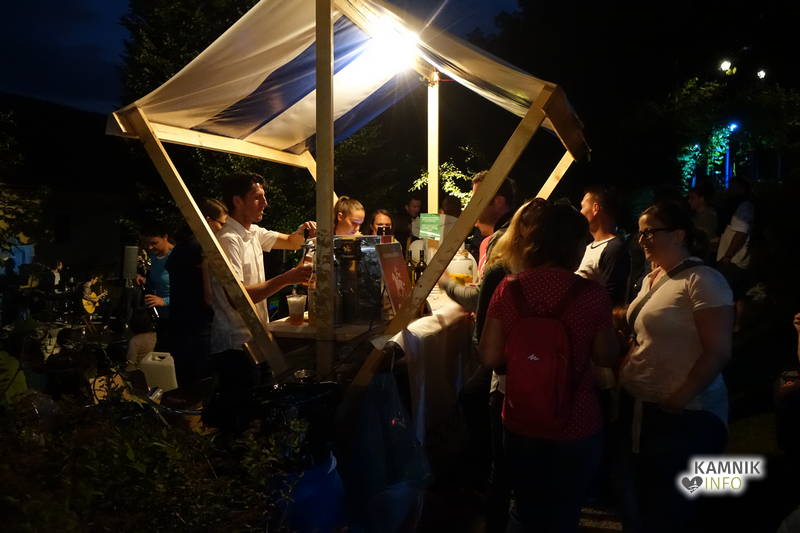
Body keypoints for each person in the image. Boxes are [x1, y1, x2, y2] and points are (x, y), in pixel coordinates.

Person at [479, 198, 619, 533]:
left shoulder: (509, 289)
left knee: (524, 508)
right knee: (565, 511)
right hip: (576, 419)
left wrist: (527, 362)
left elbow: (489, 357)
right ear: (575, 246)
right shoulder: (592, 294)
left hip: (522, 418)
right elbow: (605, 356)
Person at [619, 201, 733, 533]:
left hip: (685, 416)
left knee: (672, 509)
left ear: (679, 234)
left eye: (650, 232)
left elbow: (718, 350)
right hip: (642, 409)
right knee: (642, 501)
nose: (642, 240)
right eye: (640, 233)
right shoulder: (651, 279)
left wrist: (679, 397)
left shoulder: (704, 280)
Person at [208, 172, 315, 428]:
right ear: (237, 201)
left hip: (256, 338)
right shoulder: (228, 240)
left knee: (259, 414)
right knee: (240, 421)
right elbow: (237, 298)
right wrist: (287, 278)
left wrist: (304, 232)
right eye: (257, 197)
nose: (265, 203)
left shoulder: (253, 232)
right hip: (235, 344)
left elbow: (291, 242)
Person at [165, 198, 228, 386]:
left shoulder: (183, 245)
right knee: (200, 380)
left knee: (184, 379)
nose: (223, 229)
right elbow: (208, 296)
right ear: (208, 220)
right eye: (221, 224)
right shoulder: (201, 248)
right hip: (198, 324)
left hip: (179, 321)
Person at [576, 185, 630, 306]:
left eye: (583, 206)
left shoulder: (614, 248)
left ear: (595, 208)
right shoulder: (588, 247)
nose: (580, 212)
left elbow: (611, 299)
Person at [138, 224, 175, 351]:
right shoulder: (154, 257)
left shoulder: (176, 257)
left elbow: (189, 292)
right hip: (161, 317)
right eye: (146, 243)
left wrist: (164, 301)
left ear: (165, 237)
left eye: (154, 243)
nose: (149, 247)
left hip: (177, 317)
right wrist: (144, 280)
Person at [687, 183, 718, 257]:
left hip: (704, 255)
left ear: (701, 199)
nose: (689, 201)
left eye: (692, 198)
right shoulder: (697, 215)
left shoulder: (708, 215)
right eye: (689, 198)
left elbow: (709, 239)